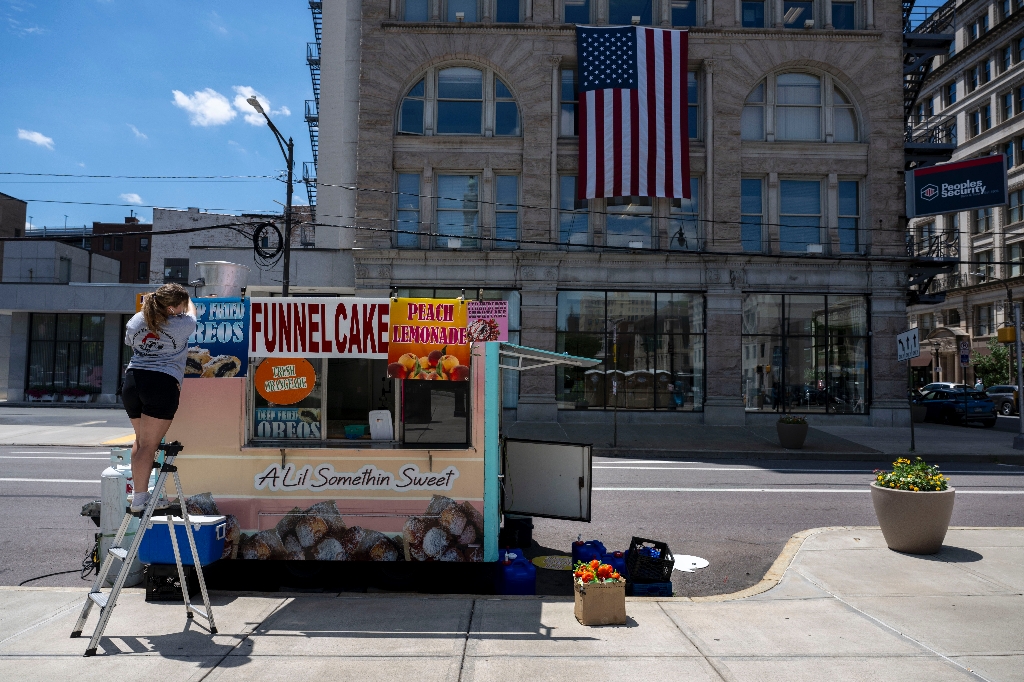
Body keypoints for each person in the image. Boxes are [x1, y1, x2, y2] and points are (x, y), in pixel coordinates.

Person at [122, 284, 197, 512]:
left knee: (141, 442)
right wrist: (190, 300)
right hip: (161, 383)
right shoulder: (181, 323)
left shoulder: (136, 320)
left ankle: (139, 494)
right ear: (173, 308)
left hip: (133, 381)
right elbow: (193, 314)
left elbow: (130, 342)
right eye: (181, 306)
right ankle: (140, 500)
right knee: (149, 445)